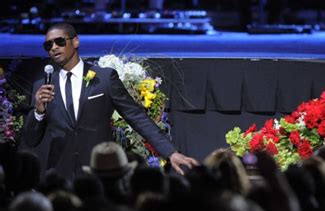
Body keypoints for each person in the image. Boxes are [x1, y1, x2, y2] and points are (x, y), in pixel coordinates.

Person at [23, 23, 198, 180]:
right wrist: (38, 112)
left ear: (75, 42)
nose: (54, 47)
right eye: (48, 45)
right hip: (60, 174)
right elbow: (31, 139)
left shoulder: (104, 78)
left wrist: (170, 152)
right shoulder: (43, 87)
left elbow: (136, 116)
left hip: (99, 171)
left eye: (59, 41)